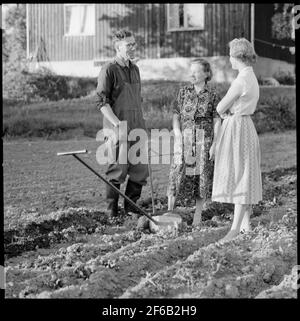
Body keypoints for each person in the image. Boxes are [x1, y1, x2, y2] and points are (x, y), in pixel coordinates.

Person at [212, 38, 263, 242]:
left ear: (238, 57)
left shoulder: (241, 80)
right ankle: (245, 226)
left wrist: (224, 113)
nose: (229, 59)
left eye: (231, 56)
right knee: (244, 172)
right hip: (245, 125)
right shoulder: (251, 77)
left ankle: (234, 230)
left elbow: (219, 107)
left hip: (237, 128)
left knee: (240, 174)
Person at [95, 29, 149, 218]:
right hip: (117, 126)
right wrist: (117, 125)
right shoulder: (109, 69)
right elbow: (102, 102)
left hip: (137, 126)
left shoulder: (135, 69)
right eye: (129, 45)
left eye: (134, 44)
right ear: (118, 48)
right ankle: (111, 211)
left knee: (140, 170)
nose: (133, 48)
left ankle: (131, 209)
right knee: (117, 169)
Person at [167, 58, 221, 226]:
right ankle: (169, 213)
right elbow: (176, 114)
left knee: (201, 177)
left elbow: (217, 120)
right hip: (184, 140)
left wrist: (215, 144)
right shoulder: (183, 92)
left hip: (204, 141)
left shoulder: (212, 95)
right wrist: (177, 133)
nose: (192, 74)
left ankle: (197, 216)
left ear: (206, 74)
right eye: (191, 71)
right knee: (176, 173)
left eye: (196, 71)